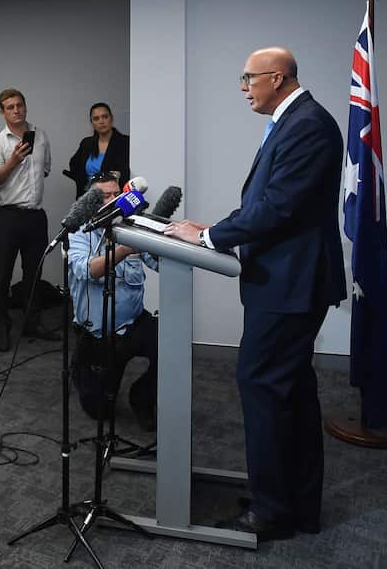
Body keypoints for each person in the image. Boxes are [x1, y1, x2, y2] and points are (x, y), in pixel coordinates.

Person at [165, 47, 346, 542]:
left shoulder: (307, 124)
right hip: (285, 280)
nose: (244, 88)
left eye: (249, 79)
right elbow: (269, 203)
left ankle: (273, 510)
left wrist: (208, 238)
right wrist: (216, 228)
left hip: (291, 283)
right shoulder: (298, 121)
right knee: (290, 392)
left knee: (262, 384)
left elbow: (278, 208)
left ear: (277, 77)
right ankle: (295, 502)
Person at [68, 173, 158, 432]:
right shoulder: (79, 231)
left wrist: (165, 240)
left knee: (170, 345)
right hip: (98, 334)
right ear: (90, 201)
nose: (113, 199)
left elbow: (156, 262)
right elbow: (88, 270)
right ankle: (81, 366)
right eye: (105, 195)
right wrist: (124, 249)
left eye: (116, 193)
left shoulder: (131, 225)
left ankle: (141, 398)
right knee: (100, 411)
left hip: (133, 323)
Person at [0, 88, 60, 351]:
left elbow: (46, 169)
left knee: (33, 274)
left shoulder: (41, 137)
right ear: (2, 112)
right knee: (3, 274)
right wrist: (13, 160)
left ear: (25, 107)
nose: (16, 110)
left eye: (19, 105)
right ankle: (1, 326)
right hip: (7, 216)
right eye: (10, 107)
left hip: (35, 216)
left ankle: (32, 322)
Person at [65, 102, 131, 198]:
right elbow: (74, 165)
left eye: (105, 117)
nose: (101, 121)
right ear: (92, 123)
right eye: (96, 118)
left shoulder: (125, 142)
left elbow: (127, 173)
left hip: (114, 199)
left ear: (111, 119)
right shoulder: (86, 143)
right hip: (88, 199)